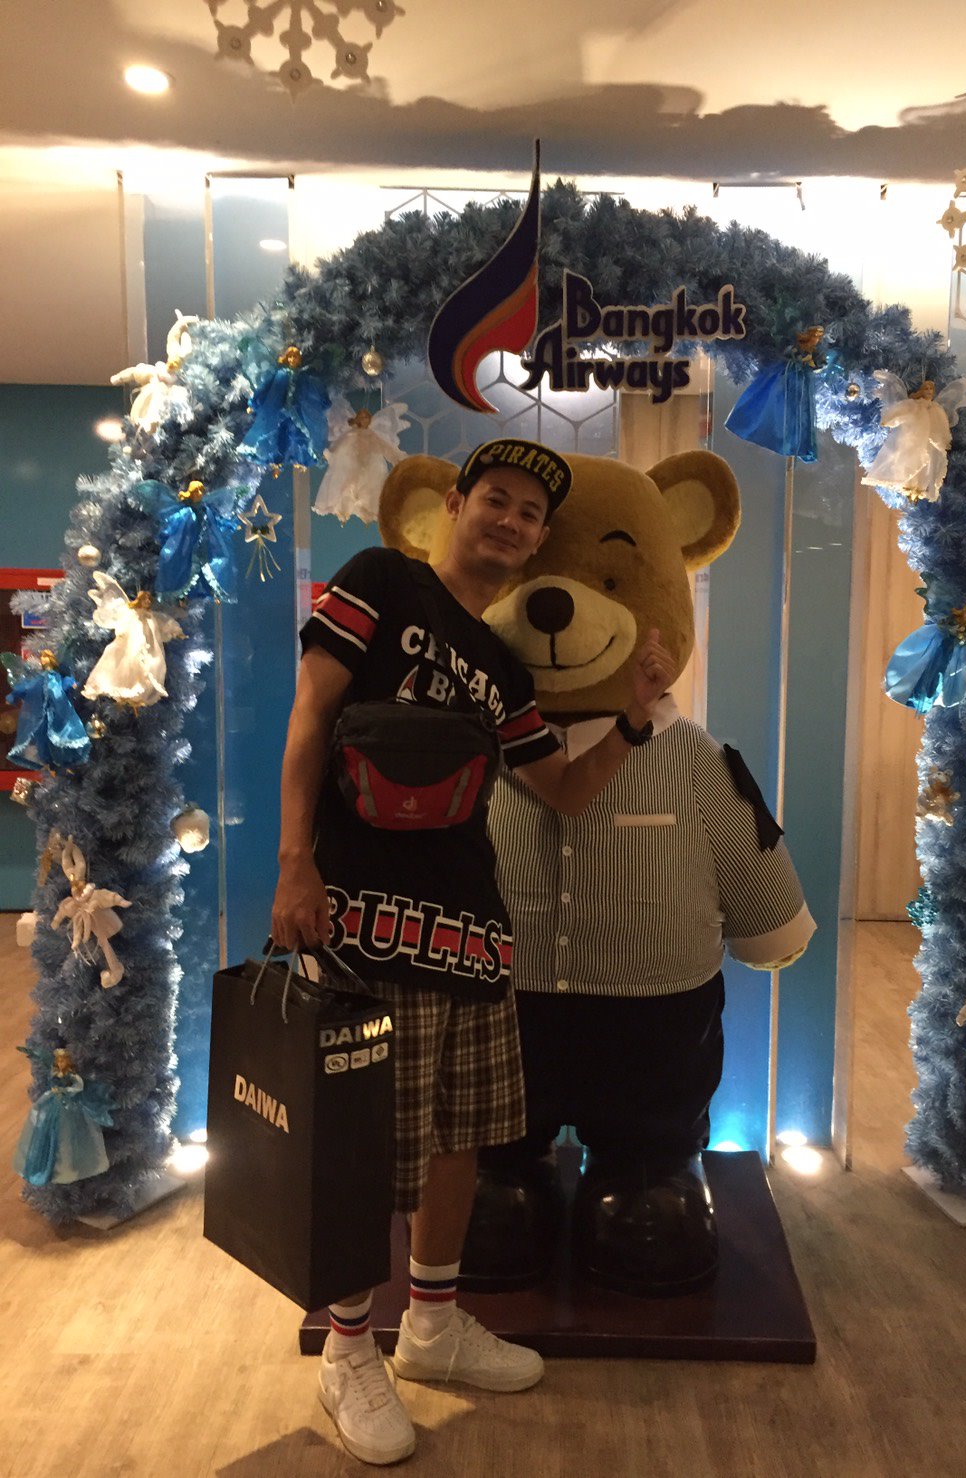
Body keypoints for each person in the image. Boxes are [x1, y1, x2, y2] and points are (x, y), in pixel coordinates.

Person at [271, 436, 676, 1466]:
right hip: (363, 920)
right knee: (365, 1144)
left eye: (530, 514)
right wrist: (293, 864)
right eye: (496, 499)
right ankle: (349, 1349)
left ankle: (434, 1324)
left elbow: (564, 791)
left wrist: (634, 719)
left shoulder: (502, 667)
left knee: (462, 1135)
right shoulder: (380, 581)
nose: (512, 521)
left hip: (471, 928)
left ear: (539, 540)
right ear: (453, 505)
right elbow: (310, 715)